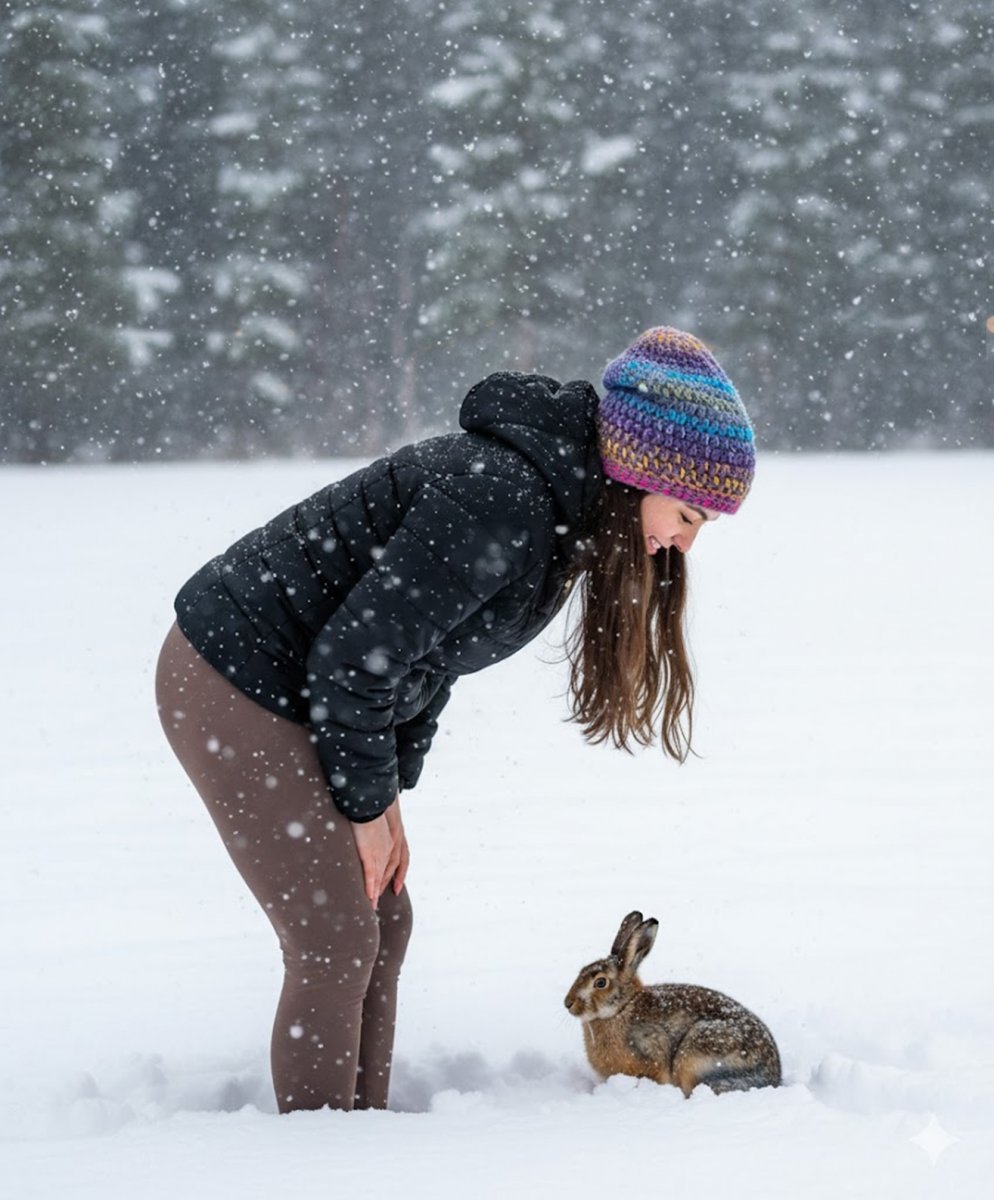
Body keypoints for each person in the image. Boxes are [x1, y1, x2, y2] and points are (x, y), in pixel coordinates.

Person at [155, 325, 756, 1114]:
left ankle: (357, 1132)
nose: (682, 541)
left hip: (314, 692)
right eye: (687, 514)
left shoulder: (560, 521)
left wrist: (387, 790)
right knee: (335, 940)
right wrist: (364, 804)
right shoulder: (504, 499)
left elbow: (430, 659)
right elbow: (358, 660)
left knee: (383, 920)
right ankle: (314, 1160)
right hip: (233, 676)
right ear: (638, 472)